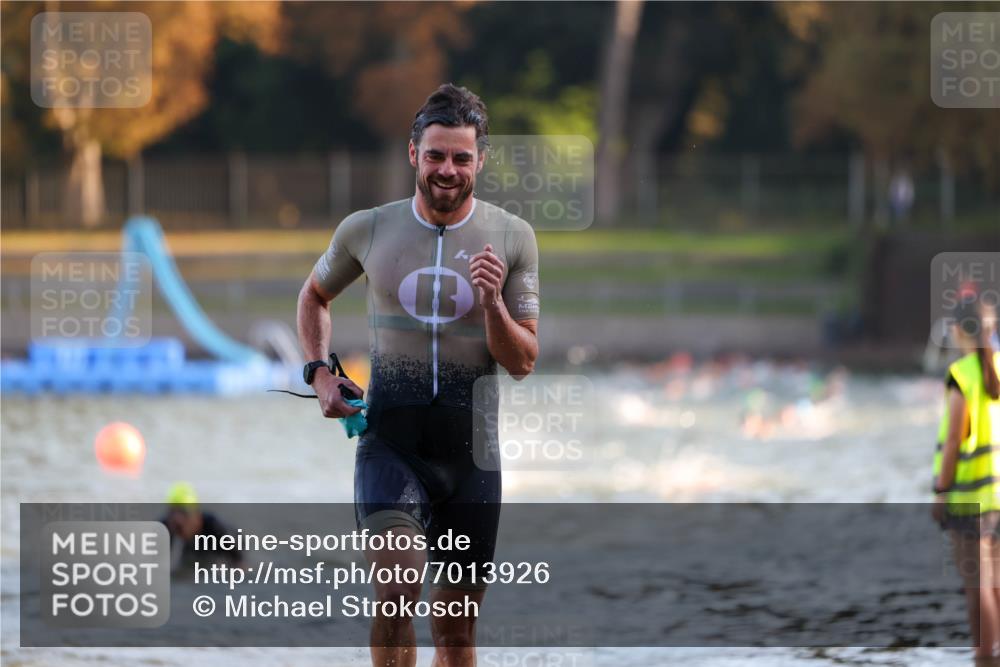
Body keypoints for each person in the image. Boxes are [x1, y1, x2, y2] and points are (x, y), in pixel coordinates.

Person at [297, 83, 539, 667]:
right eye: (435, 155)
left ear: (480, 160)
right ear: (413, 154)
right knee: (395, 593)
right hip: (391, 447)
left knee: (455, 635)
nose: (447, 170)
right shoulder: (367, 229)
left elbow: (523, 361)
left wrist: (493, 306)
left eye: (461, 157)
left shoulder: (512, 239)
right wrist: (321, 376)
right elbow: (313, 296)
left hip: (472, 459)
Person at [932, 299, 1000, 660]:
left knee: (979, 587)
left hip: (971, 500)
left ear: (960, 331)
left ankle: (985, 657)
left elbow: (954, 442)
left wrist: (941, 492)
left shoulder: (962, 375)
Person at [161, 481, 243, 573]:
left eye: (184, 513)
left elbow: (240, 563)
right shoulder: (164, 527)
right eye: (173, 512)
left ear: (197, 515)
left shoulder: (215, 528)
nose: (178, 520)